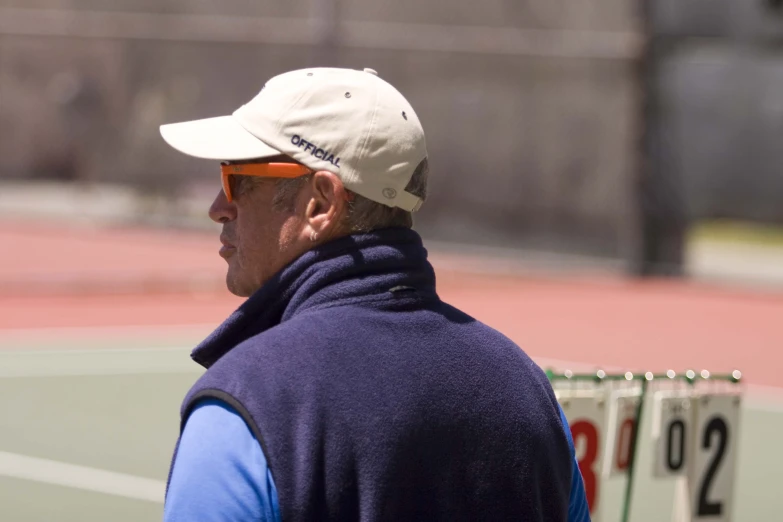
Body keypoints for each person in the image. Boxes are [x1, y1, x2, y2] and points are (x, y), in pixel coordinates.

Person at [159, 67, 590, 522]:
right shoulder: (526, 391)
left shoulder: (245, 407)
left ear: (321, 203)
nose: (217, 208)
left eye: (238, 178)